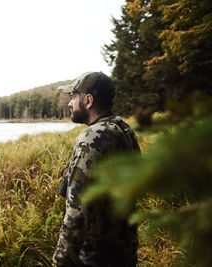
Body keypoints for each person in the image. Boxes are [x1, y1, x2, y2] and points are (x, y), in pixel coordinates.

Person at [53, 71, 140, 266]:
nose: (69, 103)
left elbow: (78, 209)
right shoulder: (124, 129)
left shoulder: (93, 137)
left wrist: (61, 260)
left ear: (88, 100)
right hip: (123, 252)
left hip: (98, 257)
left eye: (73, 97)